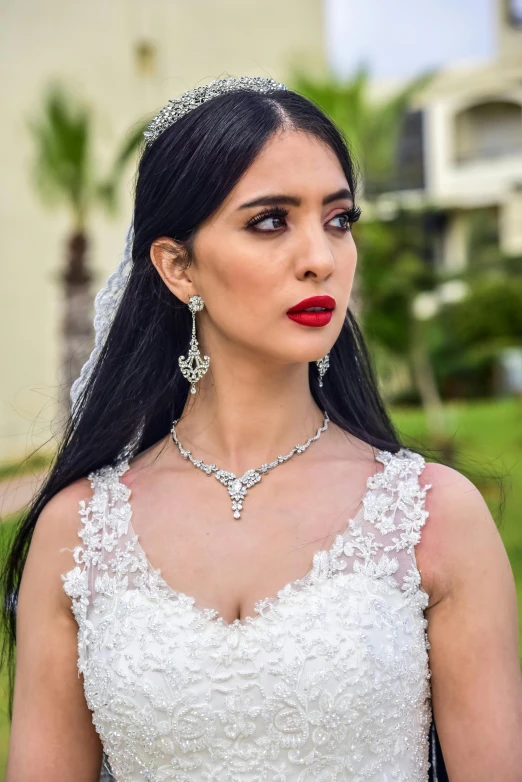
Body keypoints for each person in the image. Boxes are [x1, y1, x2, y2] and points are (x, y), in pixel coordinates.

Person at [3, 75, 522, 782]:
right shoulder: (77, 532)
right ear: (178, 268)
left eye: (338, 219)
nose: (321, 257)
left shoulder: (434, 516)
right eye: (271, 221)